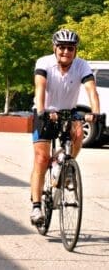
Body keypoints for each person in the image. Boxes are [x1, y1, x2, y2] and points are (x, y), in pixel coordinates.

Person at [29, 29, 100, 226]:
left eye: (70, 48)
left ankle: (66, 167)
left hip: (68, 111)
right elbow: (40, 87)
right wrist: (43, 110)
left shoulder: (82, 65)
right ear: (55, 48)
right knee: (41, 159)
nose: (66, 52)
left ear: (75, 50)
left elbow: (91, 90)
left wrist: (95, 112)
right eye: (62, 47)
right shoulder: (44, 62)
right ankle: (36, 206)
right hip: (45, 112)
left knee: (78, 133)